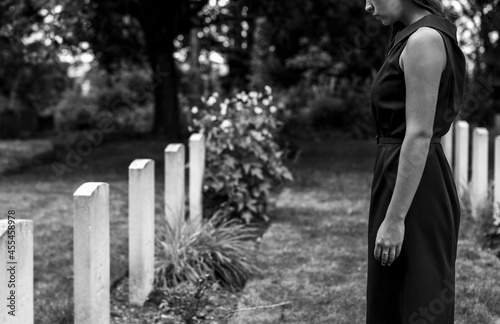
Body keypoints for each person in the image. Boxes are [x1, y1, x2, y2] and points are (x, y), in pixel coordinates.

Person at [365, 0, 466, 323]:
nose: (367, 6)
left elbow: (420, 134)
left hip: (415, 185)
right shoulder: (415, 37)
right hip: (400, 173)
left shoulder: (425, 40)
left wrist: (395, 219)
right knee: (393, 293)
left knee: (418, 294)